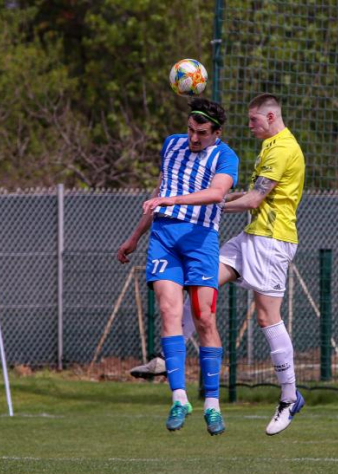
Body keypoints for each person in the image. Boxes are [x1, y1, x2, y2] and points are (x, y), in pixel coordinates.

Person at [130, 93, 306, 436]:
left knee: (267, 317)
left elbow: (255, 198)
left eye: (254, 120)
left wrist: (202, 204)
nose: (250, 125)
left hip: (273, 241)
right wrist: (203, 202)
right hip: (251, 236)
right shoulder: (270, 146)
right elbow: (245, 197)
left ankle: (289, 396)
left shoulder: (283, 149)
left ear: (270, 118)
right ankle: (170, 358)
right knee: (202, 300)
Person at [117, 98, 239, 436]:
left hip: (200, 241)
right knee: (169, 313)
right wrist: (135, 237)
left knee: (203, 318)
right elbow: (159, 193)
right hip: (164, 238)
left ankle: (212, 405)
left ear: (217, 133)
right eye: (190, 130)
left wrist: (171, 199)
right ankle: (179, 398)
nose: (193, 138)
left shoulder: (226, 157)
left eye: (201, 133)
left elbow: (217, 194)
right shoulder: (171, 145)